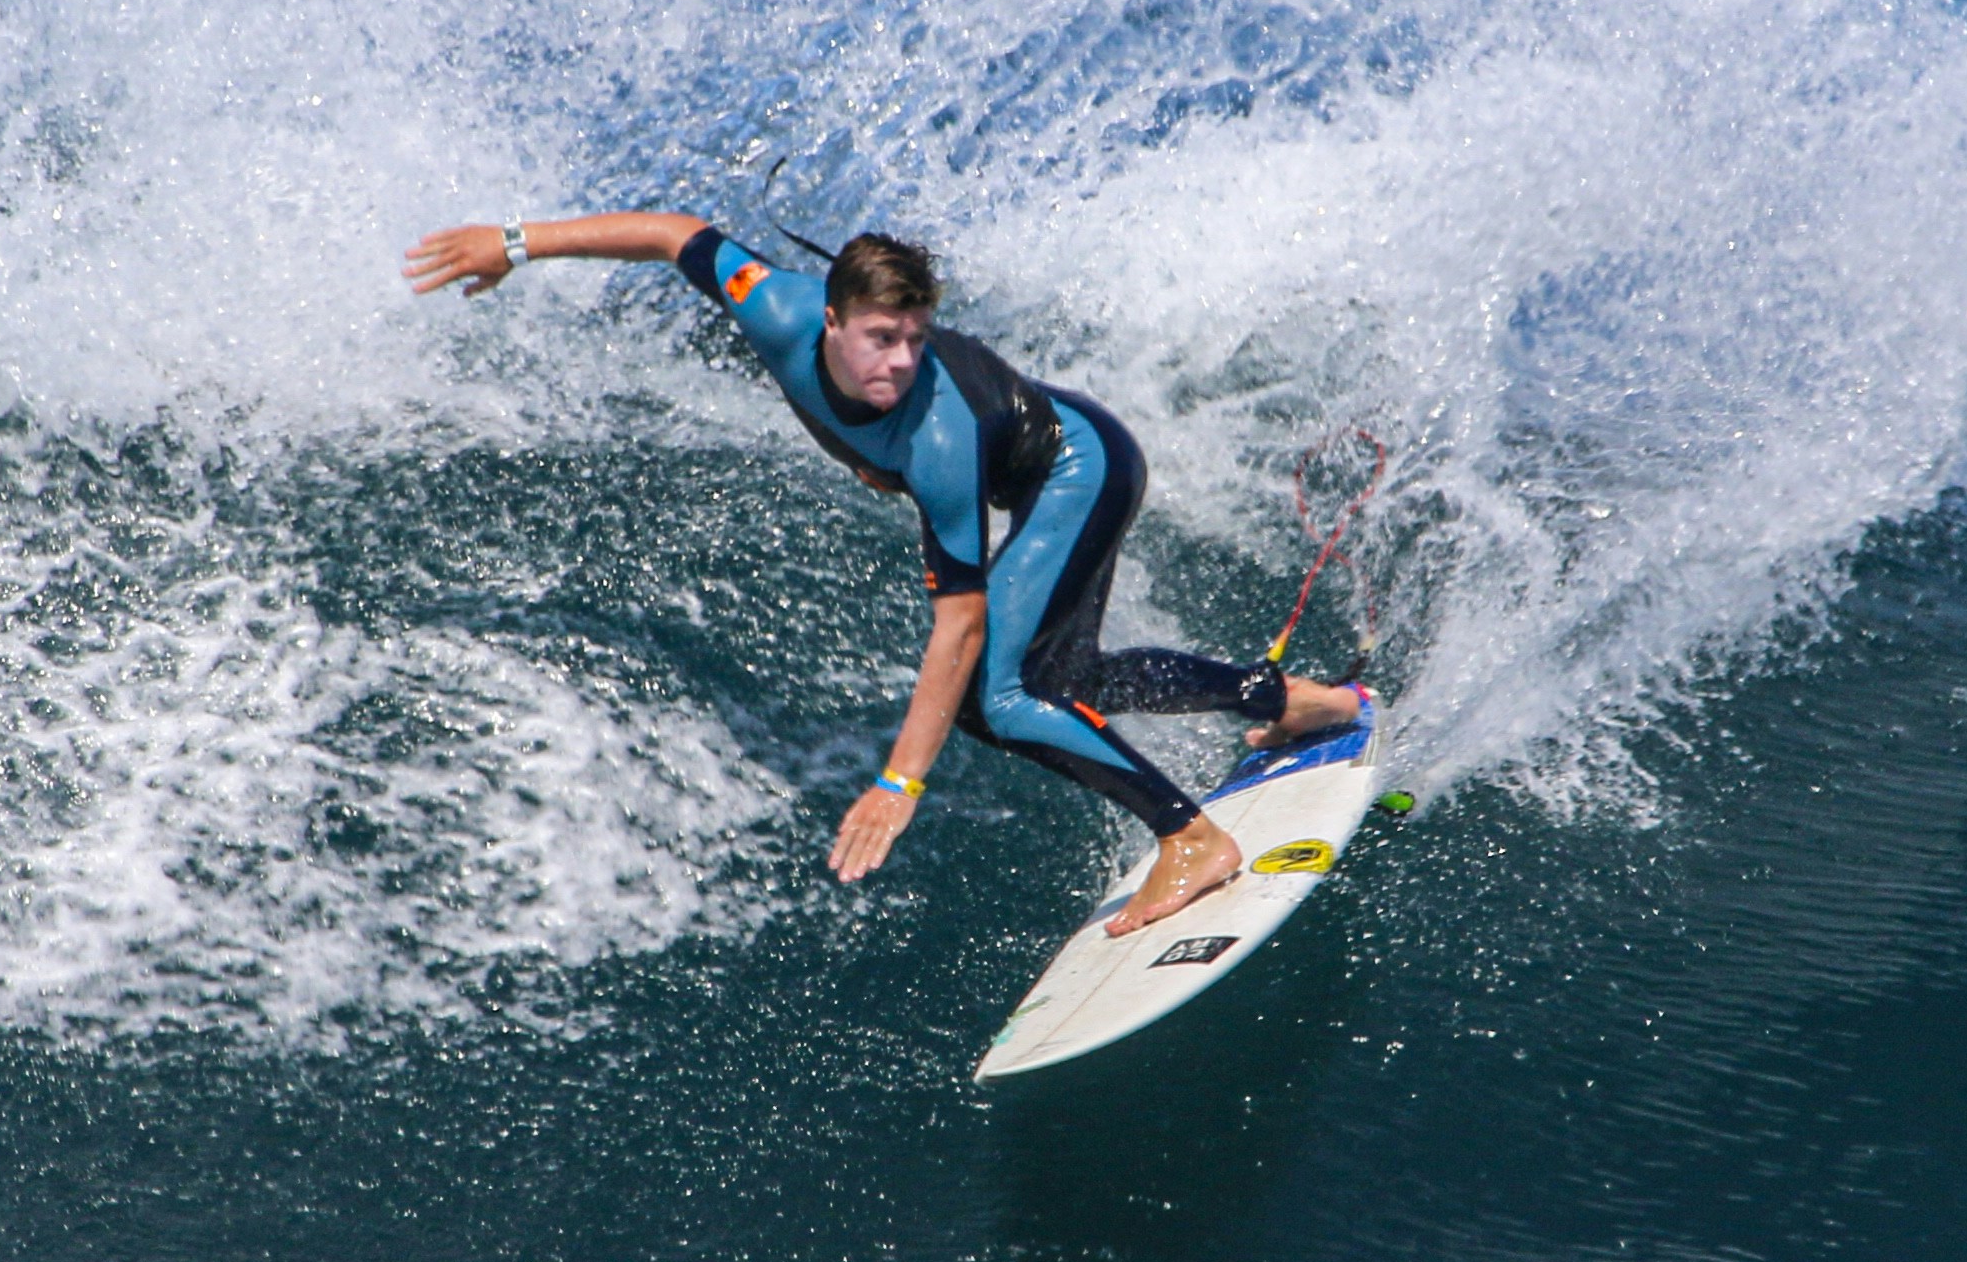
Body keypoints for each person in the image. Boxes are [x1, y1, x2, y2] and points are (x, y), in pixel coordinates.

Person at [402, 213, 1361, 937]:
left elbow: (960, 627)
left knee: (1002, 698)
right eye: (879, 339)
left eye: (915, 340)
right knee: (1068, 685)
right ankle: (1291, 700)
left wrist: (899, 786)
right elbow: (673, 235)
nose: (901, 362)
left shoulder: (938, 438)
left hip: (1082, 469)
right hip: (1048, 461)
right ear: (828, 320)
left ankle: (1192, 840)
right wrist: (516, 243)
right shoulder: (771, 306)